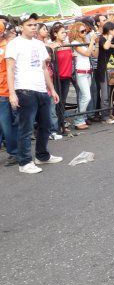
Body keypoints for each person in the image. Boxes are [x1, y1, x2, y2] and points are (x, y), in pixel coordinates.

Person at [6, 13, 62, 174]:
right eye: (29, 25)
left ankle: (42, 156)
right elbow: (10, 68)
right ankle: (24, 162)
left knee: (46, 125)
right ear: (21, 27)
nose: (33, 27)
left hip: (41, 89)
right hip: (24, 89)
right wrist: (12, 93)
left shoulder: (38, 44)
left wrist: (51, 89)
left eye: (35, 24)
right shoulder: (14, 44)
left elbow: (43, 68)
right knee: (26, 127)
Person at [69, 21, 98, 130]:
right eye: (82, 31)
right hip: (80, 72)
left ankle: (81, 118)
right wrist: (91, 41)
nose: (84, 33)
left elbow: (94, 54)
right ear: (76, 32)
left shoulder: (84, 42)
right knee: (87, 97)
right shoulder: (74, 42)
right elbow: (86, 53)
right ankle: (78, 120)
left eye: (85, 31)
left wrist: (96, 43)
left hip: (88, 72)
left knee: (83, 97)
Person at [0, 19, 18, 166]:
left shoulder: (7, 47)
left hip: (5, 92)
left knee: (7, 124)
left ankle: (15, 153)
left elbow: (10, 71)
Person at [49, 23, 73, 133]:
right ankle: (55, 127)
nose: (64, 34)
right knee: (55, 102)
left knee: (62, 101)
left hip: (67, 76)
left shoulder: (68, 45)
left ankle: (61, 124)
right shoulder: (51, 46)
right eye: (62, 32)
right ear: (55, 34)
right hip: (56, 77)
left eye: (65, 32)